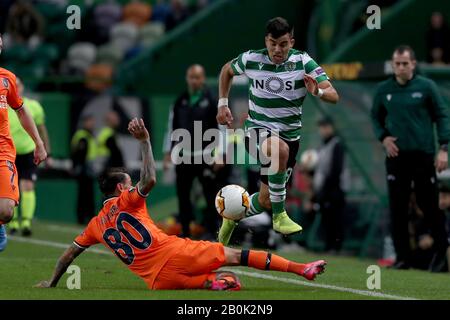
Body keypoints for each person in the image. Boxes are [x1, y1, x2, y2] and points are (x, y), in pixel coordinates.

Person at [35, 118, 327, 290]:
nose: (132, 183)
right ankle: (302, 268)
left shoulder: (96, 224)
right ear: (121, 187)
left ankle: (212, 283)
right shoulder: (127, 200)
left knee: (225, 280)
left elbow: (68, 255)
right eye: (129, 180)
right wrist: (145, 141)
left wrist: (52, 282)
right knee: (237, 256)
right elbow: (148, 181)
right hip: (176, 254)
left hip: (158, 280)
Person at [216, 17, 339, 245]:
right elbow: (226, 70)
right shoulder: (252, 58)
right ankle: (280, 217)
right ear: (267, 40)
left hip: (290, 139)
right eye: (273, 43)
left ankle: (231, 216)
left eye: (283, 44)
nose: (277, 49)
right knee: (278, 148)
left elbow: (333, 94)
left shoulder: (303, 62)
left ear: (291, 42)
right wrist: (222, 103)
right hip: (256, 131)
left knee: (265, 200)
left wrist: (318, 92)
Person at [370, 45, 450, 271]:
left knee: (430, 205)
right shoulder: (383, 89)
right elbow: (375, 117)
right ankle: (402, 257)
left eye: (405, 63)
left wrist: (443, 147)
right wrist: (384, 137)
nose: (401, 67)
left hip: (423, 155)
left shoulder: (427, 87)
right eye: (397, 63)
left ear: (413, 64)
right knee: (397, 207)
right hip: (397, 157)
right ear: (393, 64)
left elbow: (442, 115)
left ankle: (441, 255)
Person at [163, 64, 222, 238]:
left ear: (203, 79)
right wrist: (168, 152)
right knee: (183, 195)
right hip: (183, 156)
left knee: (210, 195)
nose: (194, 80)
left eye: (198, 77)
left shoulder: (211, 100)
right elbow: (171, 127)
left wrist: (220, 153)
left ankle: (212, 231)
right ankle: (185, 230)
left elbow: (222, 127)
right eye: (191, 77)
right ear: (187, 78)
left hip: (206, 155)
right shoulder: (179, 101)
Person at [0, 35, 47, 252]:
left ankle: (18, 222)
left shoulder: (6, 78)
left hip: (4, 151)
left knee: (6, 211)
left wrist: (38, 142)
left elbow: (21, 111)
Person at [8, 77, 52, 236]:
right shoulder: (3, 105)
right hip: (9, 151)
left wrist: (46, 149)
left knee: (27, 186)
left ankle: (26, 222)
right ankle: (12, 222)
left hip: (28, 151)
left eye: (18, 84)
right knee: (12, 187)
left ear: (22, 86)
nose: (16, 87)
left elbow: (42, 129)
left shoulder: (33, 106)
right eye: (15, 85)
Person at [312, 117, 347, 252]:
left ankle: (335, 246)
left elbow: (335, 170)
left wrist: (326, 190)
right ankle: (329, 245)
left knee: (335, 218)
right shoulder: (323, 146)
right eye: (321, 127)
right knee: (327, 218)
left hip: (335, 189)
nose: (323, 130)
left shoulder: (337, 144)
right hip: (324, 189)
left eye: (325, 127)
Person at [71, 114, 97, 225]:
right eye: (90, 122)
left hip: (88, 168)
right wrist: (78, 167)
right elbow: (79, 153)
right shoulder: (82, 136)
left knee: (88, 194)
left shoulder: (88, 135)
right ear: (85, 123)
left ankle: (87, 217)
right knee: (84, 195)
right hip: (84, 169)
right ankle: (82, 217)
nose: (92, 124)